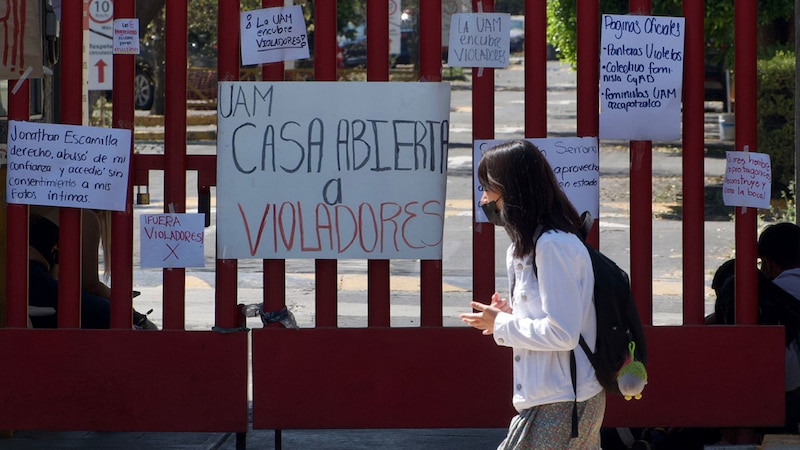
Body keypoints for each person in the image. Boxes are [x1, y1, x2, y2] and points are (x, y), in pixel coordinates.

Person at [459, 139, 604, 448]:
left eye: (488, 188)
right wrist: (511, 315)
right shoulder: (525, 247)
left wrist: (500, 324)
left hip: (564, 401)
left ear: (512, 191)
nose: (483, 199)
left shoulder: (552, 246)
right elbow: (554, 316)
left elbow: (563, 333)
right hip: (549, 398)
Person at [28, 207, 156, 329]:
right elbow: (88, 283)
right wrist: (122, 302)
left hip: (23, 285)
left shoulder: (42, 209)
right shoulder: (84, 216)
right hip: (35, 284)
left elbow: (56, 278)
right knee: (126, 319)